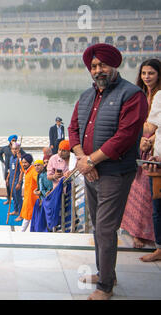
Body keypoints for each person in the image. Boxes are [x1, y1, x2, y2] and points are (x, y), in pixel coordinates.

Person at [68, 43, 148, 300]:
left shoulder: (132, 95)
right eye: (93, 66)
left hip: (114, 173)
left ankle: (105, 287)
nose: (98, 70)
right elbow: (73, 130)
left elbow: (124, 137)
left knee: (105, 228)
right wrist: (83, 160)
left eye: (103, 64)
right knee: (97, 227)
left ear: (114, 65)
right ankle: (106, 274)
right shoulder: (86, 96)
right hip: (89, 170)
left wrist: (90, 161)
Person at [121, 59, 161, 248]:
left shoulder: (159, 96)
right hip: (140, 146)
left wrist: (150, 140)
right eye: (144, 73)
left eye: (151, 73)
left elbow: (153, 126)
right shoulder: (141, 94)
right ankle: (136, 231)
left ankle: (147, 234)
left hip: (154, 151)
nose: (147, 77)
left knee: (148, 191)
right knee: (136, 189)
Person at [140, 82, 161, 262]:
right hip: (158, 160)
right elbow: (153, 128)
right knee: (158, 207)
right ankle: (159, 248)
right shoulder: (159, 97)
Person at [15, 154, 39, 232]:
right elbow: (22, 166)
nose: (23, 164)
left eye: (25, 162)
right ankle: (25, 231)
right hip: (28, 196)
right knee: (28, 215)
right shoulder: (28, 170)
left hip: (32, 198)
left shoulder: (33, 171)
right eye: (22, 162)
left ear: (29, 162)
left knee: (28, 216)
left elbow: (38, 180)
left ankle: (23, 231)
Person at [6, 142, 24, 216]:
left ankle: (21, 214)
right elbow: (10, 169)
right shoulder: (11, 158)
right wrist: (7, 178)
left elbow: (22, 171)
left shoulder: (20, 159)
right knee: (13, 196)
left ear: (18, 149)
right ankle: (16, 210)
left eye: (16, 149)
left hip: (17, 180)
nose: (14, 150)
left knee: (18, 197)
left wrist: (19, 183)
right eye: (13, 149)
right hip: (11, 180)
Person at [0, 134, 17, 205]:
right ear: (10, 141)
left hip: (15, 169)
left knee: (14, 184)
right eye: (13, 140)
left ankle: (16, 200)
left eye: (15, 140)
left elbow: (24, 155)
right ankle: (9, 199)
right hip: (7, 168)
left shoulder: (18, 148)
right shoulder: (5, 148)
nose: (14, 142)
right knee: (7, 184)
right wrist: (3, 161)